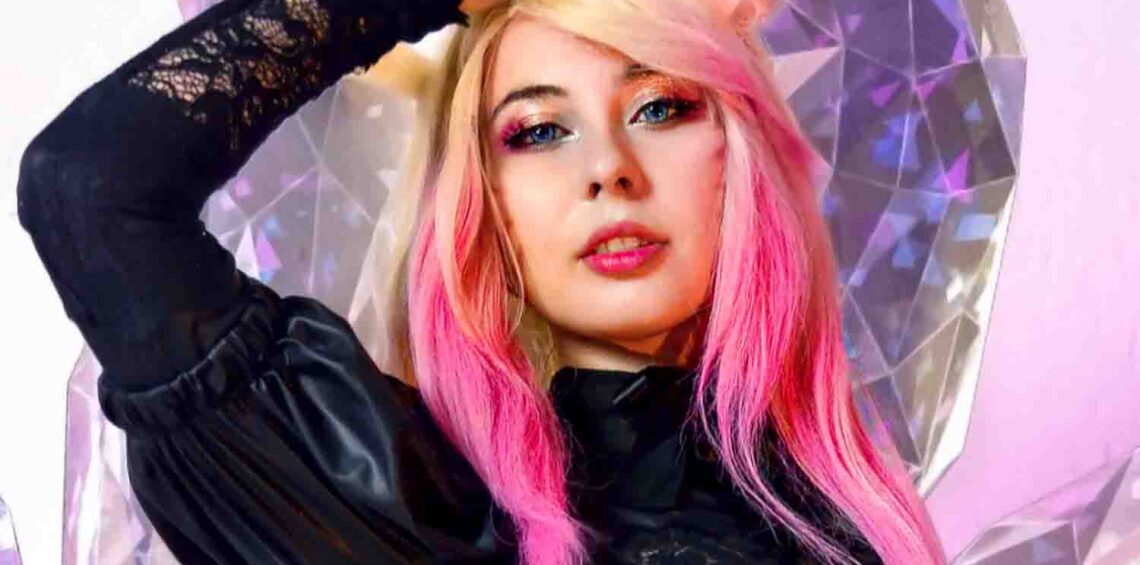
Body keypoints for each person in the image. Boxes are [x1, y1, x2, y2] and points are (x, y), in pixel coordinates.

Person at [15, 0, 947, 563]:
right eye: (538, 131)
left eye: (661, 106)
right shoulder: (419, 514)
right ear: (487, 213)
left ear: (738, 158)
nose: (609, 169)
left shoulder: (854, 525)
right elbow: (90, 191)